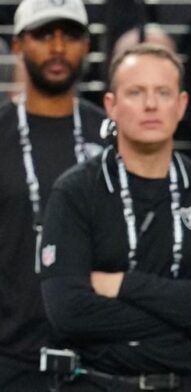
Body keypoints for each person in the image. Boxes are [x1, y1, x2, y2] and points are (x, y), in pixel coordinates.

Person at [39, 43, 191, 392]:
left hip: (189, 383)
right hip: (97, 382)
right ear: (111, 105)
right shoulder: (76, 190)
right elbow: (68, 311)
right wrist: (188, 318)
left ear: (181, 104)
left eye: (163, 92)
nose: (151, 104)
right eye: (136, 92)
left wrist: (124, 285)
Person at [0, 1, 105, 390]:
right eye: (44, 34)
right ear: (17, 46)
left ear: (87, 45)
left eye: (71, 34)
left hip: (101, 359)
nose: (58, 47)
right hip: (11, 360)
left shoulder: (113, 136)